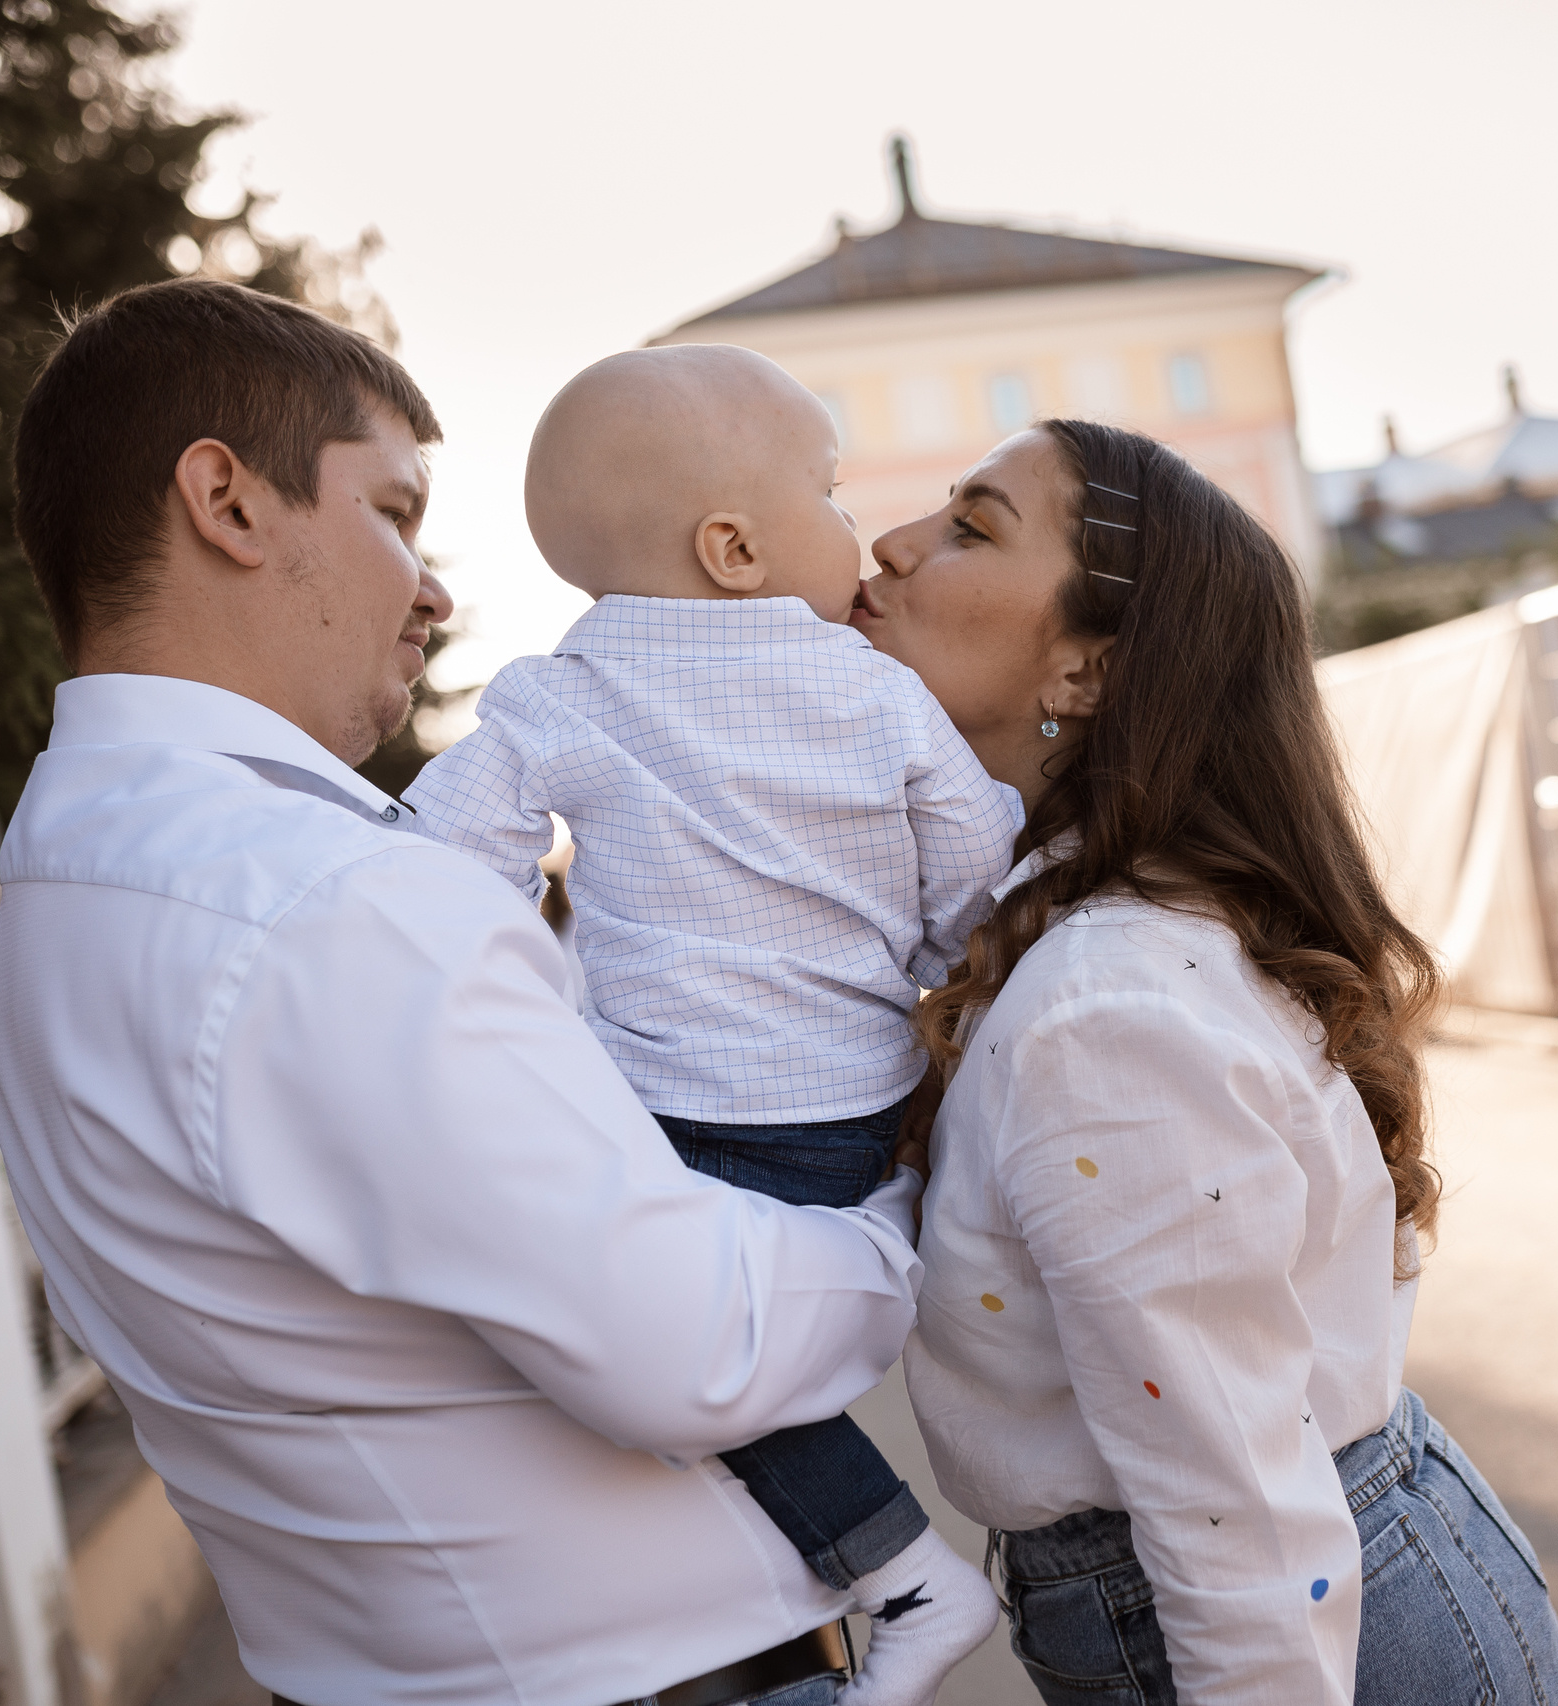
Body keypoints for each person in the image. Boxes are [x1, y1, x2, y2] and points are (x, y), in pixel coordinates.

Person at [0, 277, 923, 1706]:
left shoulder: (68, 871)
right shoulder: (316, 895)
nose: (431, 586)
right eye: (393, 512)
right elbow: (693, 1343)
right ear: (227, 502)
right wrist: (913, 1213)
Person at [856, 419, 1558, 1706]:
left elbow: (1228, 1504)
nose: (893, 543)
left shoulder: (1103, 1016)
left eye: (972, 526)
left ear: (1087, 670)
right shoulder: (1089, 947)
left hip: (1277, 1623)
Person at [407, 346, 1009, 1704]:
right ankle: (891, 1551)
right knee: (694, 1355)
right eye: (835, 497)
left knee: (635, 1347)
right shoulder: (875, 689)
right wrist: (898, 955)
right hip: (859, 1107)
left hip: (685, 1119)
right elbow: (976, 868)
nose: (859, 534)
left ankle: (902, 1565)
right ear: (735, 547)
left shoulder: (556, 693)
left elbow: (436, 872)